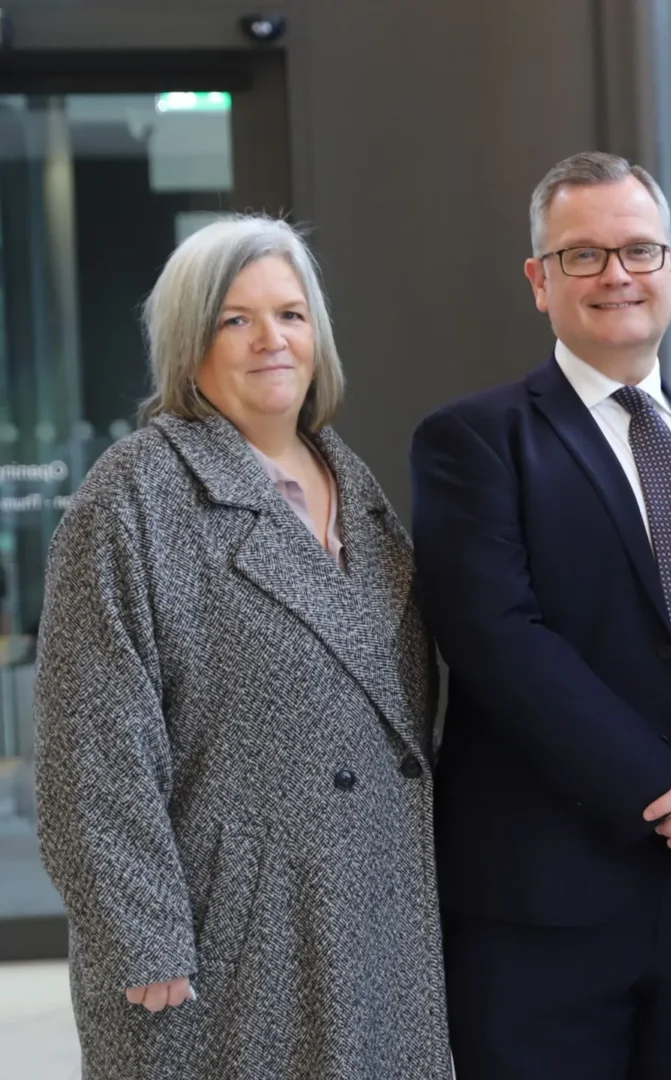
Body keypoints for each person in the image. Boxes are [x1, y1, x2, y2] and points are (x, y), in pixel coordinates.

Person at [410, 152, 671, 1080]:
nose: (615, 275)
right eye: (582, 255)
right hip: (545, 886)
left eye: (639, 250)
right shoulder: (474, 441)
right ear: (538, 281)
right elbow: (497, 639)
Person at [33, 216, 451, 1078]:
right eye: (237, 319)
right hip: (223, 939)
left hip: (374, 916)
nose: (272, 340)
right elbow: (90, 745)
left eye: (292, 315)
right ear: (191, 345)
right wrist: (141, 932)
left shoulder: (354, 483)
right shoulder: (133, 494)